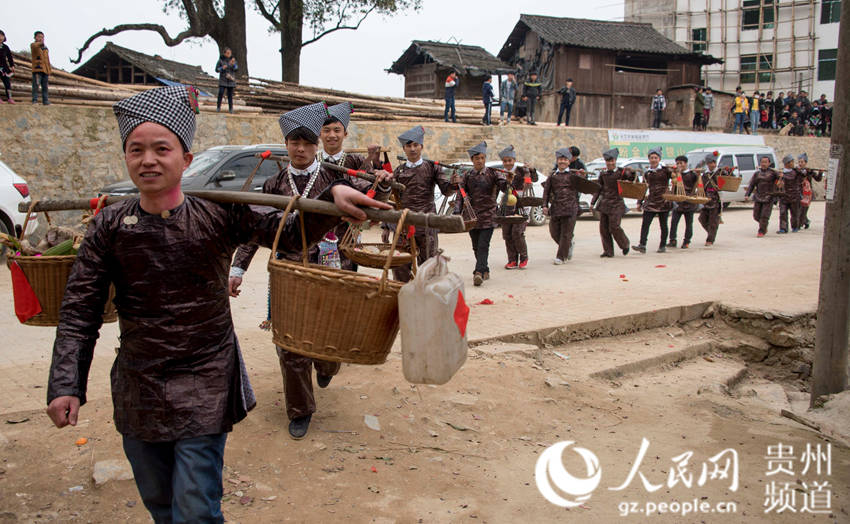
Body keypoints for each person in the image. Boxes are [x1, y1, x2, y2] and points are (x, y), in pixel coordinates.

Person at [46, 87, 389, 523]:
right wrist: (65, 382)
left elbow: (283, 234)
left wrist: (330, 201)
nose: (148, 159)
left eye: (161, 149)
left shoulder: (216, 213)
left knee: (196, 507)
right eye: (137, 150)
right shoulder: (109, 227)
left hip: (205, 374)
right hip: (140, 380)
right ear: (126, 157)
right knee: (160, 501)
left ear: (185, 160)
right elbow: (80, 310)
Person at [230, 103, 391, 440]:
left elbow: (369, 204)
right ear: (287, 145)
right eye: (294, 142)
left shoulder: (336, 177)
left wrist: (384, 185)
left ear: (316, 144)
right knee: (290, 345)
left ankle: (328, 366)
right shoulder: (274, 183)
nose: (300, 149)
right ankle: (300, 410)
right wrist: (239, 267)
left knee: (331, 339)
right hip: (289, 273)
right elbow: (257, 226)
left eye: (306, 142)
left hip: (333, 272)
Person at [391, 125, 454, 282]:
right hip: (404, 225)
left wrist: (454, 184)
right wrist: (387, 227)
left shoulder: (432, 167)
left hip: (427, 224)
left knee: (429, 267)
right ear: (404, 148)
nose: (412, 149)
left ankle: (429, 301)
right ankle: (403, 298)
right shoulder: (398, 172)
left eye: (415, 145)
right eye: (409, 146)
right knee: (399, 266)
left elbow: (446, 190)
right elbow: (393, 201)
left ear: (421, 147)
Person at [458, 141, 507, 285]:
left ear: (485, 159)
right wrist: (457, 212)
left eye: (482, 158)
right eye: (476, 158)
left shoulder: (493, 173)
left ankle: (478, 272)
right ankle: (485, 269)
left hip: (489, 216)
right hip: (472, 217)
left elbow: (504, 187)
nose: (479, 161)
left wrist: (509, 181)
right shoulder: (467, 175)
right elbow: (461, 194)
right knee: (475, 246)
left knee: (483, 245)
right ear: (472, 160)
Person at [498, 145, 537, 269]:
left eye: (510, 160)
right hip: (507, 204)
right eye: (505, 161)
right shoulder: (501, 173)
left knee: (517, 232)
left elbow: (534, 179)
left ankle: (524, 257)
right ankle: (512, 260)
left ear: (514, 160)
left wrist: (532, 170)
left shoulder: (521, 170)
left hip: (521, 203)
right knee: (507, 233)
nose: (507, 163)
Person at [591, 148, 634, 257]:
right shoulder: (603, 174)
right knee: (604, 229)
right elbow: (598, 189)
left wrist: (631, 172)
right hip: (604, 204)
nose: (610, 163)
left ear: (615, 161)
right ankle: (608, 251)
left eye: (612, 161)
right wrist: (593, 202)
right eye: (608, 161)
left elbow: (630, 179)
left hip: (617, 204)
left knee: (614, 227)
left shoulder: (621, 172)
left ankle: (625, 244)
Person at [542, 148, 583, 264]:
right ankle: (568, 245)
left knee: (566, 233)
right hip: (556, 208)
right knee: (554, 232)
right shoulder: (552, 176)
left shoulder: (573, 175)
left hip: (571, 208)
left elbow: (584, 186)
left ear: (569, 162)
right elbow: (546, 191)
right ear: (557, 161)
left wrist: (583, 177)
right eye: (560, 159)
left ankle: (561, 257)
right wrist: (544, 205)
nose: (562, 162)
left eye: (565, 159)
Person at [633, 147, 672, 253]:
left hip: (663, 201)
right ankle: (642, 245)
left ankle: (662, 245)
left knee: (663, 225)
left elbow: (675, 177)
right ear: (649, 159)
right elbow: (643, 188)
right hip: (651, 201)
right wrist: (639, 202)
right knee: (645, 224)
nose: (653, 159)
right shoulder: (647, 173)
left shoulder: (665, 171)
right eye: (651, 158)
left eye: (655, 157)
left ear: (659, 159)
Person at [668, 155, 699, 249]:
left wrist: (699, 175)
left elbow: (696, 185)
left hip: (689, 202)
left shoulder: (692, 174)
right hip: (678, 202)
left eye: (681, 163)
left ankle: (686, 241)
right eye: (677, 163)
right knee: (674, 222)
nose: (679, 165)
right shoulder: (675, 174)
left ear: (685, 164)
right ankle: (672, 240)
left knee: (689, 223)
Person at [745, 155, 780, 237]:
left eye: (765, 162)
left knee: (764, 216)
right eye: (762, 162)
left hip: (769, 197)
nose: (763, 164)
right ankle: (764, 226)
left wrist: (781, 178)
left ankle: (761, 231)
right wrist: (747, 194)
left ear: (769, 163)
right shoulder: (757, 174)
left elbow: (781, 180)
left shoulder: (773, 173)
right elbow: (752, 185)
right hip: (758, 196)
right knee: (756, 216)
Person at [698, 152, 722, 246]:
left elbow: (727, 179)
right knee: (702, 219)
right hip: (706, 200)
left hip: (716, 200)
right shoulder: (705, 175)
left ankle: (710, 239)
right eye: (710, 163)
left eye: (714, 162)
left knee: (713, 221)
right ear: (707, 164)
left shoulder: (720, 172)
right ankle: (712, 232)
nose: (712, 165)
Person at [776, 154, 803, 234]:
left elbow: (802, 175)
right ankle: (783, 228)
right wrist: (780, 177)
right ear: (787, 163)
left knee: (794, 213)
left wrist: (799, 170)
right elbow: (778, 184)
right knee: (782, 212)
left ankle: (795, 227)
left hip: (794, 195)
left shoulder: (795, 171)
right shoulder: (781, 173)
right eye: (791, 162)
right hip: (784, 196)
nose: (793, 163)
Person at [797, 152, 823, 229]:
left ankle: (800, 224)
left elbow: (818, 179)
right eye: (799, 162)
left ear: (806, 162)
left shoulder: (810, 171)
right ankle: (805, 221)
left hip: (807, 193)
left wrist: (820, 173)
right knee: (798, 209)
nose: (800, 163)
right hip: (798, 192)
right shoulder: (797, 171)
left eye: (802, 162)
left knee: (804, 209)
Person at [30, 31, 51, 105]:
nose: (41, 38)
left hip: (45, 70)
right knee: (36, 86)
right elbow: (36, 46)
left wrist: (49, 70)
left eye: (42, 37)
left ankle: (45, 101)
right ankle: (34, 100)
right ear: (35, 37)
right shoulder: (33, 45)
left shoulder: (45, 48)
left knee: (45, 87)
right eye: (39, 37)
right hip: (37, 69)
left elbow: (47, 60)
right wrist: (41, 43)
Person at [215, 48, 238, 113]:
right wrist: (222, 68)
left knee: (230, 95)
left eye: (230, 53)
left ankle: (231, 109)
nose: (229, 54)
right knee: (221, 93)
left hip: (231, 80)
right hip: (223, 79)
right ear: (224, 53)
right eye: (227, 53)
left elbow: (236, 69)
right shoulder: (220, 60)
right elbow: (217, 70)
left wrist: (233, 65)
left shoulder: (234, 61)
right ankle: (218, 107)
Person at [0, 30, 14, 103]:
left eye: (2, 36)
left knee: (7, 83)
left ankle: (9, 98)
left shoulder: (5, 47)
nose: (1, 37)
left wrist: (12, 65)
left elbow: (9, 57)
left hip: (4, 68)